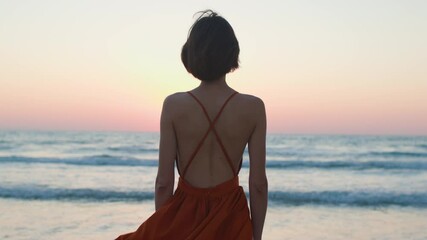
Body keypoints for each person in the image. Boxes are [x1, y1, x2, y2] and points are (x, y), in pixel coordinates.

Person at [116, 10, 268, 240]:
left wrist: (165, 226)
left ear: (192, 54)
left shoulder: (174, 105)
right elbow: (258, 184)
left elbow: (163, 183)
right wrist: (255, 237)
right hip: (231, 221)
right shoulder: (253, 108)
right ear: (232, 53)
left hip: (182, 216)